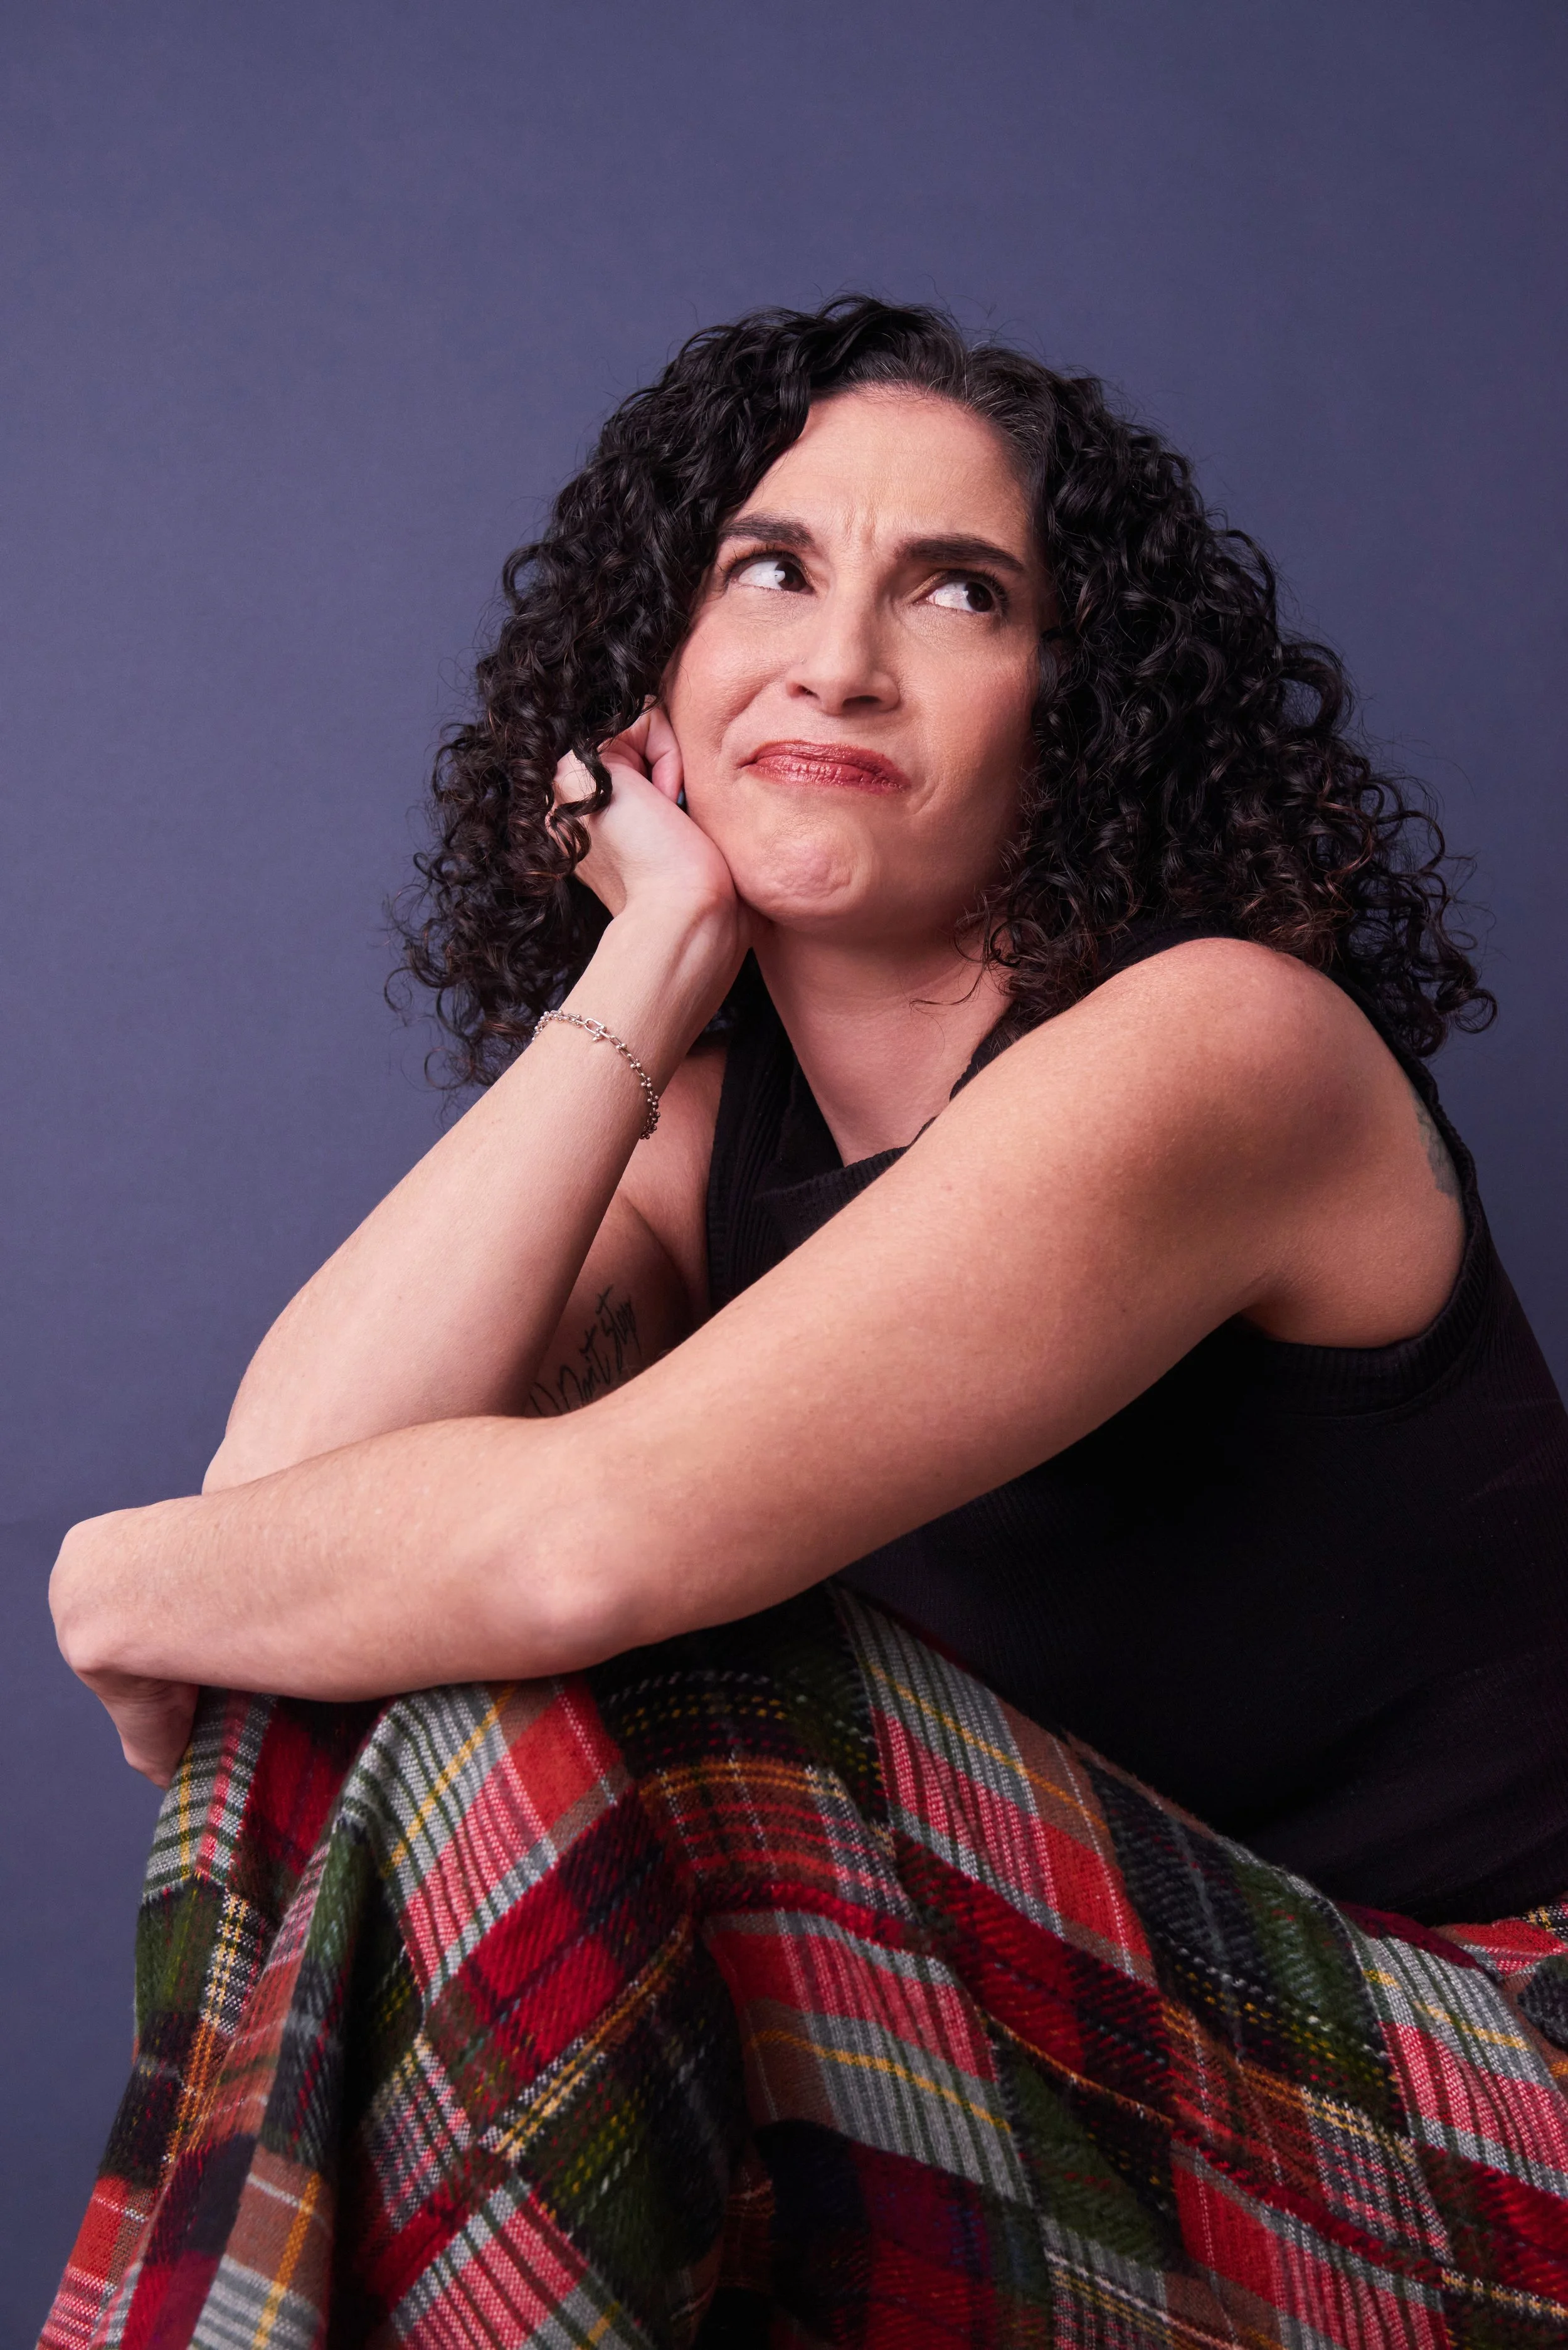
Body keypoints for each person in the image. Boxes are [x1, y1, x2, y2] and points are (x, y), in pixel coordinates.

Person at [43, 300, 1568, 2348]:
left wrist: (110, 1571)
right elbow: (293, 1511)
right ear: (653, 673)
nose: (837, 660)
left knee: (625, 1666)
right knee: (395, 1661)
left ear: (1072, 704)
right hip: (1059, 2067)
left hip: (1488, 2102)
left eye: (957, 591)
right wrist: (655, 960)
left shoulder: (1219, 1050)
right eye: (768, 570)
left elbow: (563, 1545)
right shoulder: (702, 1124)